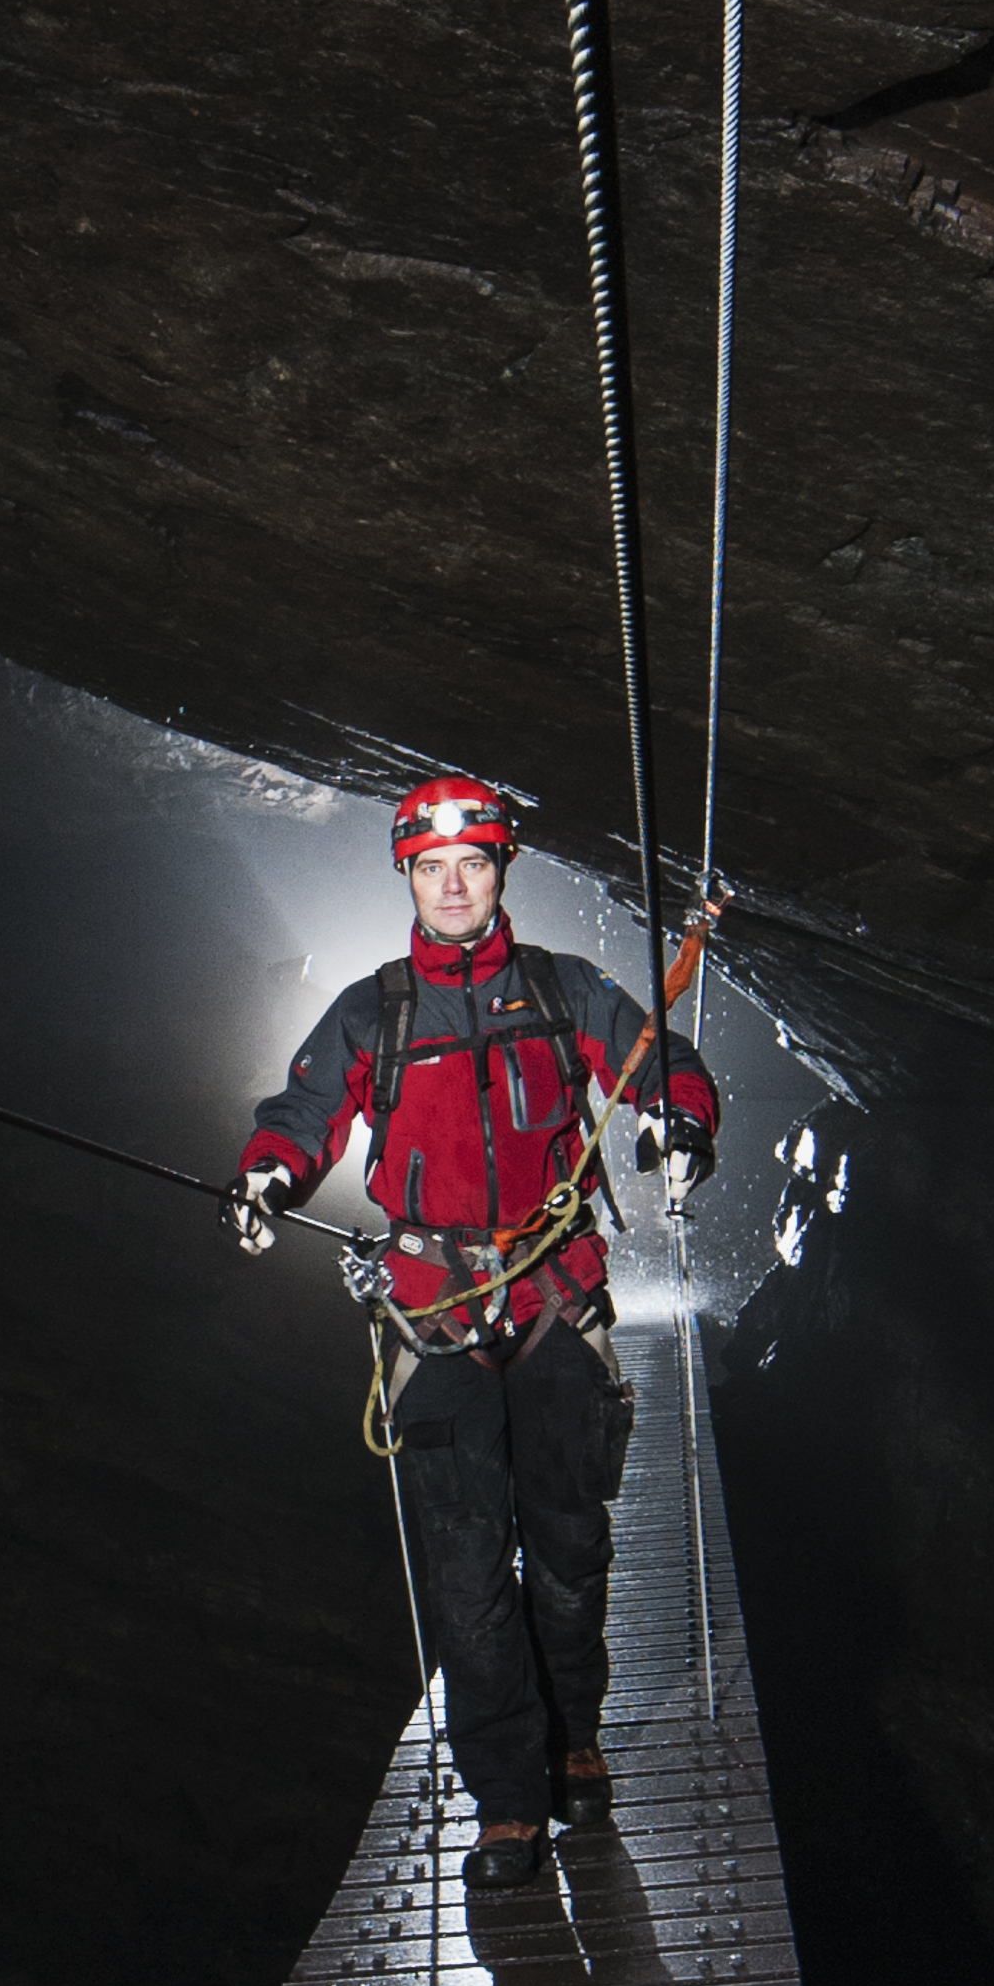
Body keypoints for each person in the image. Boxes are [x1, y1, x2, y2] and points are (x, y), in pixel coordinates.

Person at [232, 774, 719, 1889]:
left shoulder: (562, 991)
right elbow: (305, 1110)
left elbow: (660, 1064)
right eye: (431, 868)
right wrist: (267, 1173)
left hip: (553, 1300)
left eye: (474, 865)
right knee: (462, 1569)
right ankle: (509, 1799)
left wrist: (680, 1122)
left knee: (568, 1544)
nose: (454, 886)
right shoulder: (374, 1008)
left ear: (501, 871)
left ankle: (572, 1733)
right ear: (406, 875)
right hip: (433, 1308)